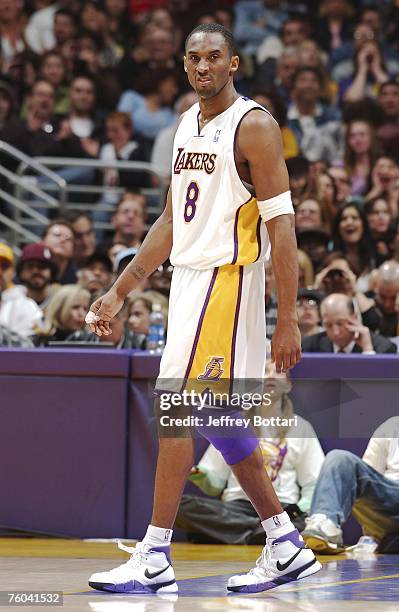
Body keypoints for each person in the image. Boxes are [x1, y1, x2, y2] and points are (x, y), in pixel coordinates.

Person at [86, 23, 320, 595]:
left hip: (229, 279)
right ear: (184, 65)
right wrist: (122, 288)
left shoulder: (256, 125)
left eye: (214, 56)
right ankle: (285, 542)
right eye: (194, 58)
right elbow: (171, 220)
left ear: (234, 62)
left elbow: (282, 226)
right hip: (190, 279)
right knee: (218, 417)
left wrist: (286, 316)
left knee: (174, 405)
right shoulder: (187, 123)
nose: (203, 66)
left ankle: (155, 553)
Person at [176, 362, 325, 544]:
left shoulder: (301, 427)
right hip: (237, 507)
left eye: (278, 371)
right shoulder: (234, 422)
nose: (270, 376)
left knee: (305, 521)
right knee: (178, 506)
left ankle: (245, 532)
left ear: (288, 385)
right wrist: (198, 474)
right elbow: (215, 482)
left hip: (281, 507)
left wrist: (301, 510)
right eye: (264, 371)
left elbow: (313, 483)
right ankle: (263, 531)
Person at [302, 417, 399, 554]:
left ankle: (391, 542)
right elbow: (367, 482)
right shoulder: (391, 427)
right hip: (389, 499)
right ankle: (324, 525)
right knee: (339, 458)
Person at [302, 293, 396, 354]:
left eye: (340, 323)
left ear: (354, 318)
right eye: (328, 325)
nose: (336, 332)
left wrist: (368, 350)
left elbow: (378, 383)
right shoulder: (308, 346)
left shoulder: (384, 348)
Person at [16, 243, 59, 310]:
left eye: (42, 266)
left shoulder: (61, 300)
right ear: (21, 272)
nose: (35, 271)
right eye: (30, 266)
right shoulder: (12, 299)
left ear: (51, 272)